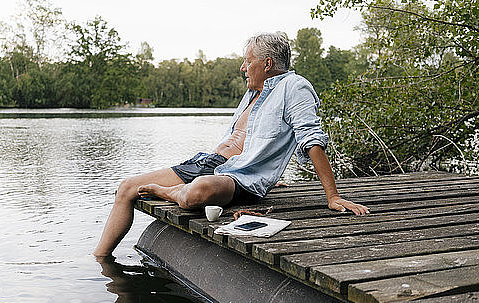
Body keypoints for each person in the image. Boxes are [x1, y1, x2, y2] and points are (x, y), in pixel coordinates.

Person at [93, 32, 369, 257]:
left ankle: (171, 192)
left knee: (197, 192)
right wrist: (272, 177)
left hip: (240, 179)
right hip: (210, 162)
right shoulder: (252, 92)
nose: (242, 67)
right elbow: (246, 141)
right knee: (127, 186)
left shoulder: (294, 87)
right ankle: (99, 260)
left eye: (247, 61)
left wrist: (332, 197)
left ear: (268, 63)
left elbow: (311, 140)